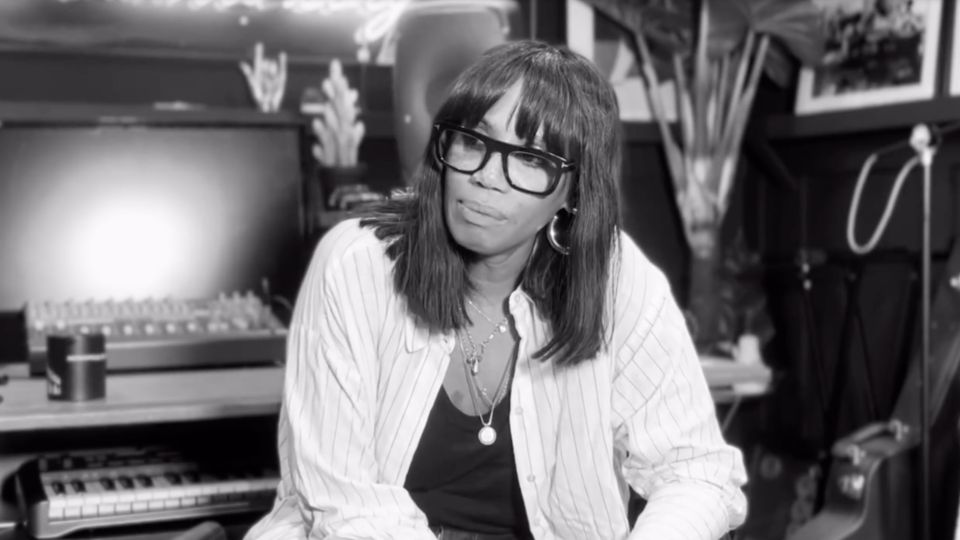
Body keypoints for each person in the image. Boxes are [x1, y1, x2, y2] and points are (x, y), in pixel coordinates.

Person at [245, 39, 747, 540]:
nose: (486, 176)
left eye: (530, 158)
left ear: (573, 193)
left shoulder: (616, 278)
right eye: (473, 141)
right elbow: (347, 512)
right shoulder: (357, 265)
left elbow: (696, 472)